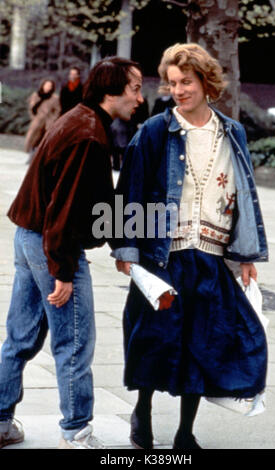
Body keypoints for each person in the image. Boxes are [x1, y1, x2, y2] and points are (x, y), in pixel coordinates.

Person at [113, 43, 269, 450]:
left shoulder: (232, 132)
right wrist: (127, 250)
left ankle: (185, 433)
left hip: (211, 257)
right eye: (172, 82)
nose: (177, 90)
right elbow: (129, 191)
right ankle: (142, 412)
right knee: (154, 341)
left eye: (186, 82)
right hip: (163, 257)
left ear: (206, 81)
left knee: (204, 345)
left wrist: (245, 256)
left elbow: (244, 194)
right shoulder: (153, 131)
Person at [0, 57, 143, 449]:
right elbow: (63, 211)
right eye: (134, 88)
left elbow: (95, 202)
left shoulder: (82, 119)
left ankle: (0, 422)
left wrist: (121, 242)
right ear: (111, 90)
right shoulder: (87, 134)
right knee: (75, 342)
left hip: (30, 237)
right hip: (51, 244)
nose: (139, 97)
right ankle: (76, 431)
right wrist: (63, 270)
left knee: (19, 337)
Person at [25, 78, 60, 163]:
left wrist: (53, 119)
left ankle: (38, 159)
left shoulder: (54, 98)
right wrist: (34, 118)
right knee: (33, 140)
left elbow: (57, 110)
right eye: (46, 85)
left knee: (43, 141)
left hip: (48, 123)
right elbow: (31, 108)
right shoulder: (36, 95)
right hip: (37, 121)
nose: (48, 87)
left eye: (50, 86)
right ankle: (31, 156)